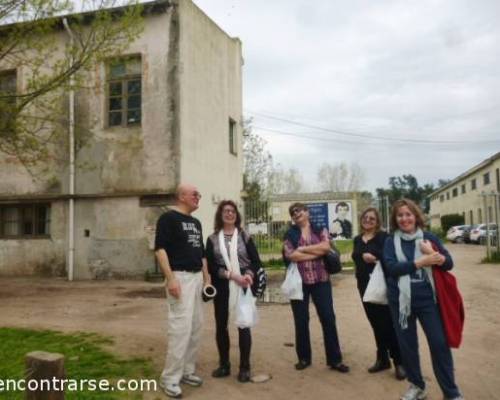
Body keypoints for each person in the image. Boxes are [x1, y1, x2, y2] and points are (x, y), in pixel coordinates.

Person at [383, 199, 463, 400]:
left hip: (428, 300)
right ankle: (417, 386)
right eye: (400, 215)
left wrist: (433, 254)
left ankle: (451, 393)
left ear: (416, 216)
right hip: (401, 302)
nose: (404, 218)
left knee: (439, 343)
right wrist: (422, 262)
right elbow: (392, 269)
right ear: (395, 219)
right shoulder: (390, 241)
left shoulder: (428, 237)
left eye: (408, 214)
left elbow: (448, 263)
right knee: (408, 346)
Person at [154, 183, 211, 399]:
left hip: (197, 279)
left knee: (196, 327)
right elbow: (160, 250)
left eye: (199, 193)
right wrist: (171, 279)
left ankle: (187, 371)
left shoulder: (195, 222)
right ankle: (169, 378)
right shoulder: (168, 219)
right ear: (182, 196)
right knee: (180, 329)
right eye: (195, 194)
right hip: (180, 278)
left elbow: (202, 254)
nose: (199, 196)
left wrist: (207, 279)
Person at [282, 202, 349, 372]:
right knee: (301, 320)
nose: (297, 214)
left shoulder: (320, 228)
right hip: (300, 283)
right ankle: (304, 358)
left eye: (300, 210)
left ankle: (335, 359)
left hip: (321, 279)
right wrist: (315, 252)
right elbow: (292, 255)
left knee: (328, 318)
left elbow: (326, 247)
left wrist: (303, 248)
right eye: (293, 213)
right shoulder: (290, 234)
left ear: (307, 212)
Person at [206, 200, 263, 383]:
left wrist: (247, 274)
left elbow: (255, 260)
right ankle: (224, 365)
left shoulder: (245, 236)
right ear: (220, 215)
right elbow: (212, 267)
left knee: (243, 325)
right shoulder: (212, 239)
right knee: (221, 326)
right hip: (223, 287)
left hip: (244, 286)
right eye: (225, 211)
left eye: (232, 211)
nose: (229, 214)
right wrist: (231, 275)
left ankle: (245, 368)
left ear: (236, 215)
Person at [351, 207, 406, 380]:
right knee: (375, 323)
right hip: (364, 286)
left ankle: (399, 362)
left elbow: (391, 257)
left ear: (377, 222)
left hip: (382, 285)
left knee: (388, 324)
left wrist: (375, 258)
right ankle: (382, 359)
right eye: (365, 217)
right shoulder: (357, 239)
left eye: (372, 219)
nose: (368, 220)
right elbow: (356, 256)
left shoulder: (384, 237)